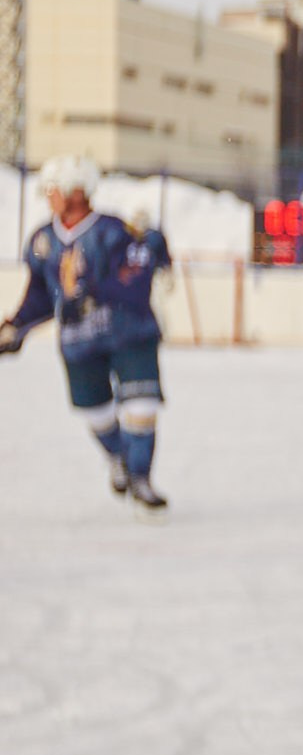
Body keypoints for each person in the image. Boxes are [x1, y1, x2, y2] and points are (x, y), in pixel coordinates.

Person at [2, 156, 174, 509]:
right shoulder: (42, 240)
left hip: (129, 334)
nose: (48, 197)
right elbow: (41, 295)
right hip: (78, 343)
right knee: (96, 413)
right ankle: (119, 458)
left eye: (54, 190)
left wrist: (91, 291)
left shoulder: (114, 231)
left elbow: (135, 282)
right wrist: (15, 326)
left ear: (76, 191)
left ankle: (140, 477)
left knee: (141, 405)